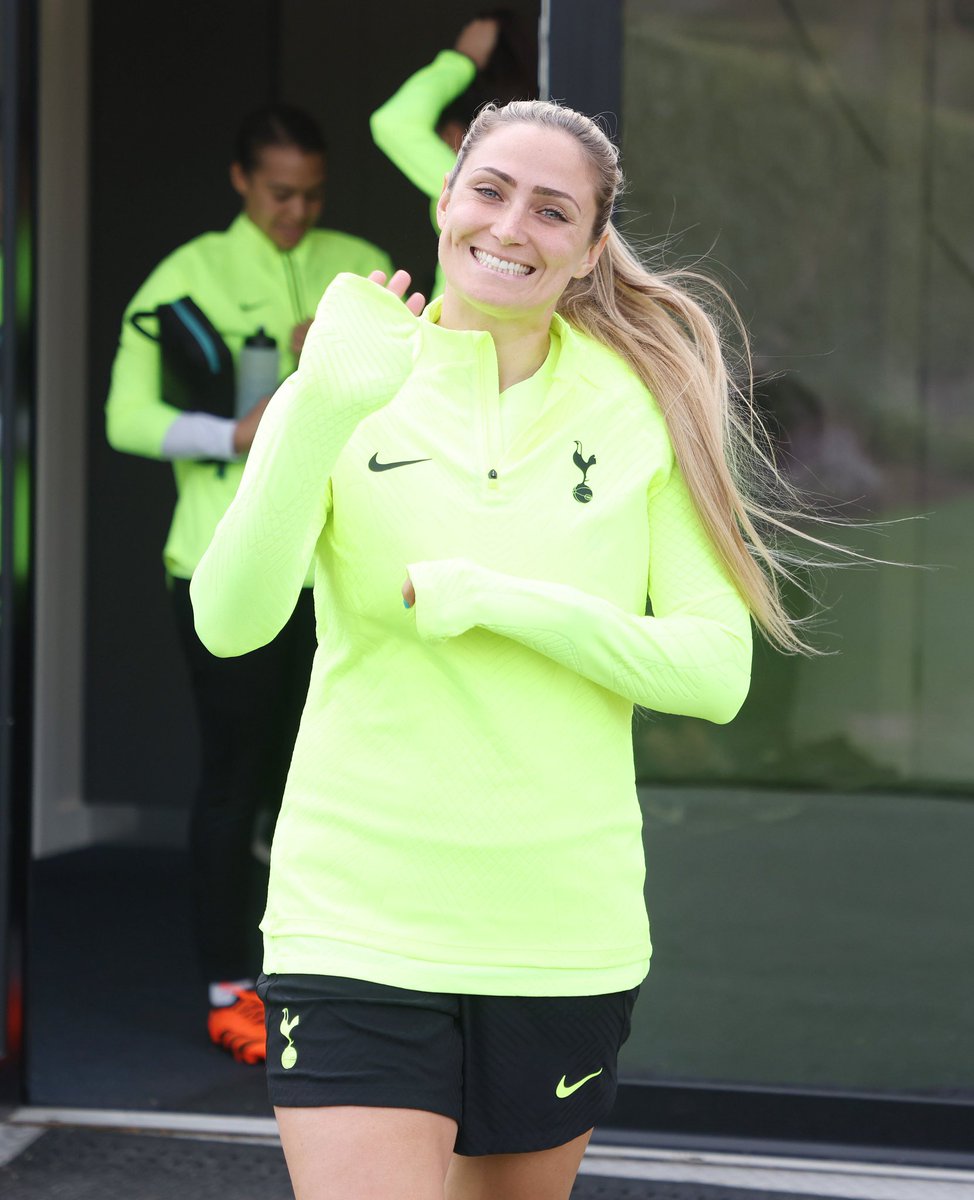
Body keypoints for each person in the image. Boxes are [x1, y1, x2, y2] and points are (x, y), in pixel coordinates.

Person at [190, 99, 808, 1199]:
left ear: (584, 248)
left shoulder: (643, 409)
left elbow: (713, 674)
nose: (510, 225)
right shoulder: (343, 375)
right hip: (355, 919)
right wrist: (322, 407)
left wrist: (497, 601)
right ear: (444, 201)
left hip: (557, 932)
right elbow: (230, 622)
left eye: (551, 208)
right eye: (489, 189)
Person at [105, 104, 393, 1065]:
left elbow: (422, 395)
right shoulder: (188, 273)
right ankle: (232, 987)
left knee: (326, 780)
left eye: (312, 193)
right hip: (217, 560)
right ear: (241, 181)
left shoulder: (360, 260)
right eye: (279, 194)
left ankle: (319, 982)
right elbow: (124, 418)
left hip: (338, 564)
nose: (296, 213)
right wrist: (237, 432)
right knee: (235, 779)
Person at [370, 11, 536, 297]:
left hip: (451, 337)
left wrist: (462, 59)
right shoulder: (551, 202)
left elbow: (394, 122)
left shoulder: (467, 185)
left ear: (452, 134)